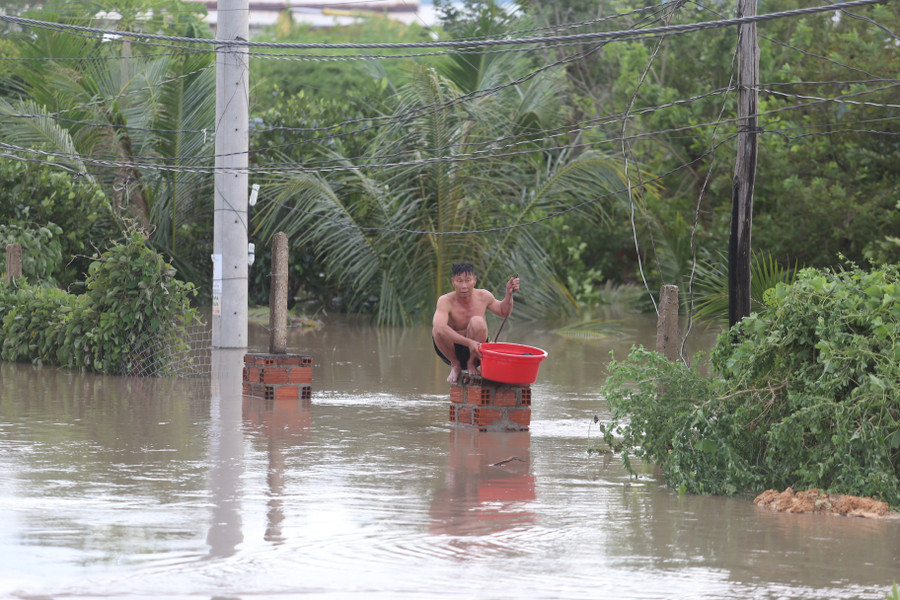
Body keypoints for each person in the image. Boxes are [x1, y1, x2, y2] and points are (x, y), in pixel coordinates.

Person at [432, 262, 519, 383]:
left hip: (477, 351)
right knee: (437, 330)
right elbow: (439, 328)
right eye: (459, 281)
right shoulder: (445, 300)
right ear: (453, 281)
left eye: (468, 280)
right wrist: (469, 342)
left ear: (475, 280)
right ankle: (456, 365)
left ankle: (471, 364)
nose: (464, 286)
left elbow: (504, 312)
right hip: (450, 351)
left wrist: (509, 294)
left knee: (478, 321)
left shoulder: (484, 296)